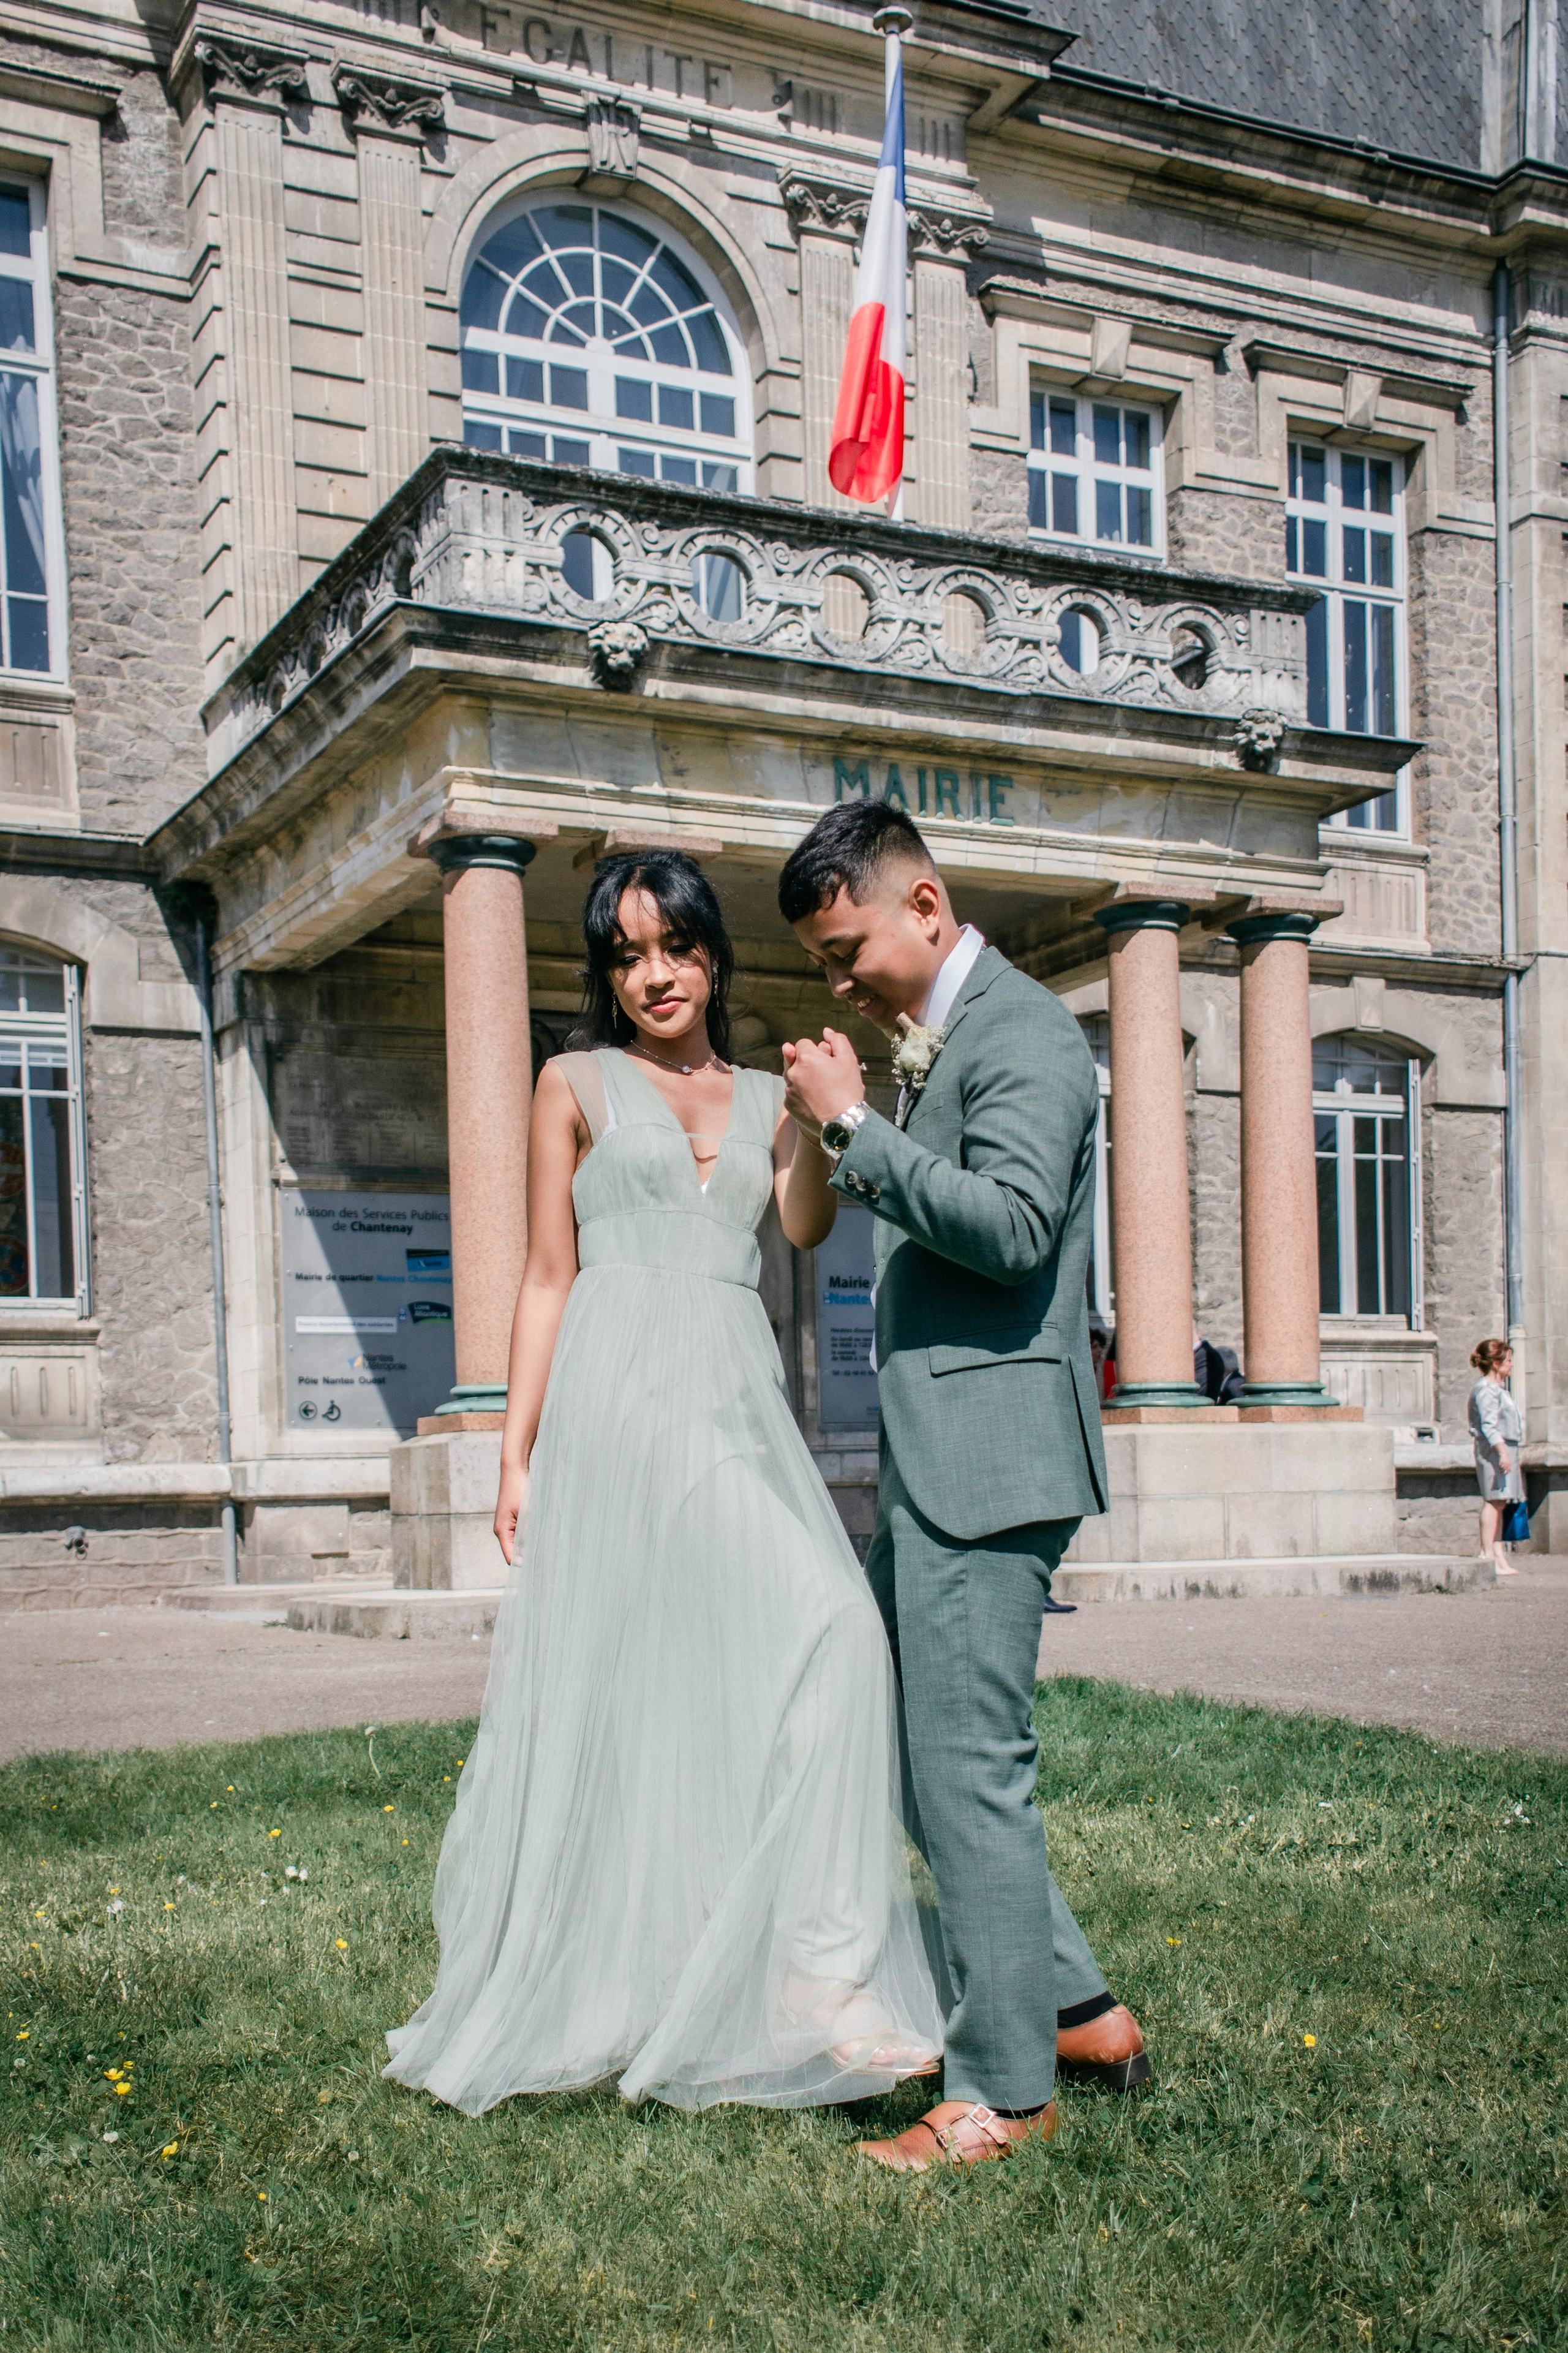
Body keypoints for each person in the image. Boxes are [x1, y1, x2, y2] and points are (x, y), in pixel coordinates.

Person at [385, 850, 942, 2115]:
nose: (651, 975)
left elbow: (799, 1230)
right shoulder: (572, 1080)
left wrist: (819, 1117)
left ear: (710, 955)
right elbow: (544, 1274)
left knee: (815, 1647)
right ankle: (785, 1978)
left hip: (732, 1401)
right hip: (620, 1403)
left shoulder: (760, 1095)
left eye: (673, 947)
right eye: (625, 954)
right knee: (765, 1651)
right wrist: (514, 1450)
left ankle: (785, 1970)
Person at [778, 799, 1150, 2174]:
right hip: (945, 1451)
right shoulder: (955, 1035)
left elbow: (1009, 1229)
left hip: (990, 1460)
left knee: (968, 1770)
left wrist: (852, 1130)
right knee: (914, 1752)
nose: (837, 980)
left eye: (843, 948)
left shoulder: (1026, 1032)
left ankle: (1003, 2092)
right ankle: (1073, 2011)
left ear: (922, 906)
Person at [1469, 1337, 1525, 1577]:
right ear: (1496, 1363)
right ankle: (1487, 1554)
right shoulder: (1486, 1391)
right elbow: (1489, 1425)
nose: (1511, 1365)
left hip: (1506, 1448)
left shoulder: (1498, 1390)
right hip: (1494, 1450)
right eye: (1508, 1361)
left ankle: (1498, 1553)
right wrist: (1502, 1452)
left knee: (1501, 1502)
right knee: (1493, 1500)